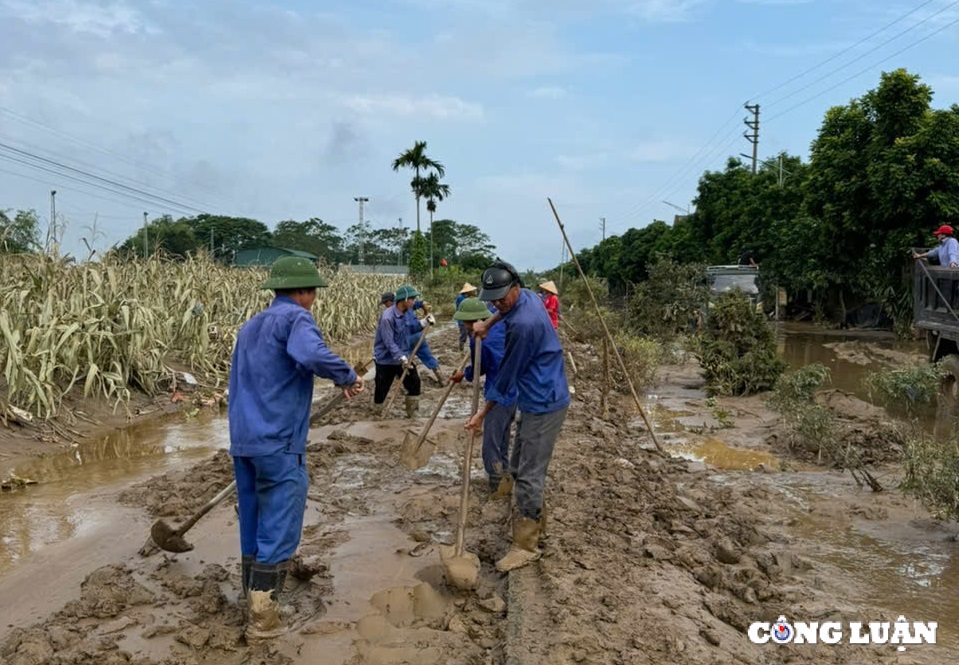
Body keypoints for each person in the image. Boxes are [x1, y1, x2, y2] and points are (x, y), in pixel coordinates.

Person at [228, 256, 364, 641]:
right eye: (313, 293)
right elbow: (311, 354)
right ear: (304, 292)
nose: (313, 300)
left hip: (244, 440)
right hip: (279, 440)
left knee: (252, 519)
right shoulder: (295, 319)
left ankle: (250, 597)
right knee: (280, 521)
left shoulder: (251, 325)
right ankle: (264, 618)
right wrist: (347, 375)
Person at [468, 261, 570, 572]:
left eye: (502, 298)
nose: (498, 303)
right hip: (535, 393)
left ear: (515, 287)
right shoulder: (526, 296)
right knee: (518, 458)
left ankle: (527, 545)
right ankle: (536, 521)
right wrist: (490, 322)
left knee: (529, 473)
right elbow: (507, 310)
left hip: (544, 400)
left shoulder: (524, 325)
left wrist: (481, 414)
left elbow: (506, 377)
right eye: (493, 299)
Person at [450, 297, 516, 494]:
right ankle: (505, 476)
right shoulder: (503, 326)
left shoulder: (480, 339)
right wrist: (467, 374)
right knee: (502, 438)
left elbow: (483, 366)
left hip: (499, 393)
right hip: (515, 391)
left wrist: (467, 374)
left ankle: (496, 483)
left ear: (472, 321)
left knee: (491, 443)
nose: (463, 325)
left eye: (464, 322)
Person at [374, 284, 423, 418]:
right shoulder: (387, 317)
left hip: (405, 356)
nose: (413, 302)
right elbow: (389, 343)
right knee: (382, 388)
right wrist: (401, 357)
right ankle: (378, 412)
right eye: (411, 299)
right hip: (386, 359)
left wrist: (423, 323)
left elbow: (411, 329)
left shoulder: (408, 313)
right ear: (403, 299)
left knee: (414, 382)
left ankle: (412, 413)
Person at [380, 291, 443, 385]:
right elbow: (423, 303)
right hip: (418, 336)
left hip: (406, 339)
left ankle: (406, 382)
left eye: (385, 303)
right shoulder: (407, 304)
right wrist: (426, 314)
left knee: (404, 361)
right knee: (427, 356)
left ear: (390, 301)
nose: (385, 305)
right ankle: (440, 376)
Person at [455, 282, 478, 352]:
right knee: (463, 336)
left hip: (469, 320)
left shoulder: (466, 298)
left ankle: (473, 348)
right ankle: (461, 350)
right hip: (463, 321)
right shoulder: (461, 298)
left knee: (472, 335)